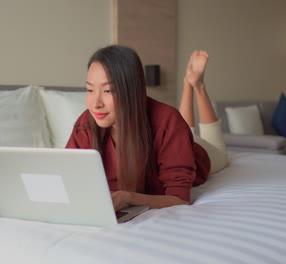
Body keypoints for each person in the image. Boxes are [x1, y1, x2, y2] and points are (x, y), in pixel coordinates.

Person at [66, 45, 228, 211]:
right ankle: (189, 84)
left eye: (108, 90)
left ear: (132, 90)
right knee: (183, 126)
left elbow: (179, 200)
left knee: (217, 151)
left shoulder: (169, 121)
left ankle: (195, 85)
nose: (95, 104)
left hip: (198, 154)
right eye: (90, 90)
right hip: (174, 137)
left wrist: (129, 197)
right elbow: (67, 177)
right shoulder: (86, 124)